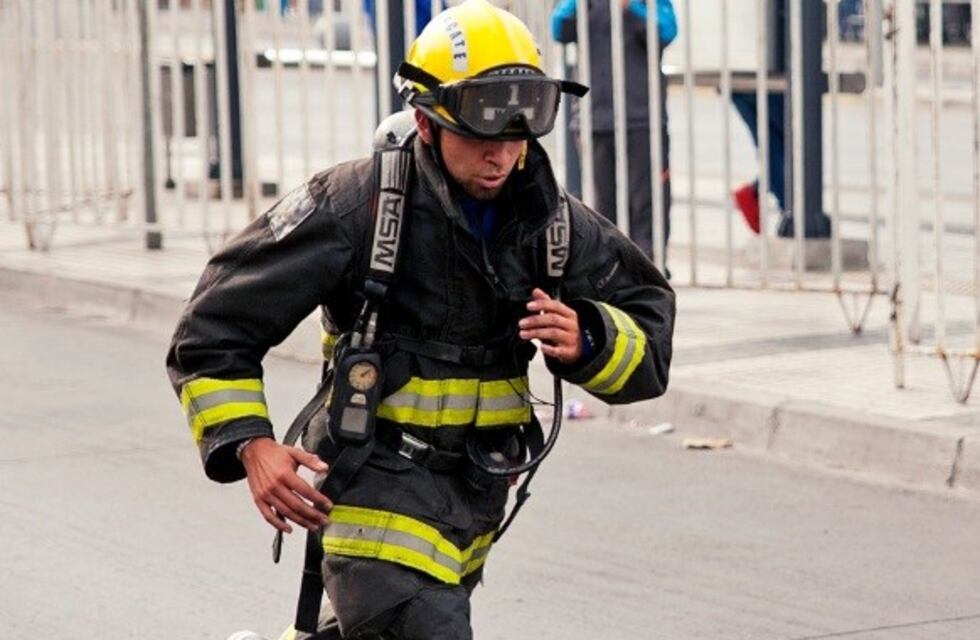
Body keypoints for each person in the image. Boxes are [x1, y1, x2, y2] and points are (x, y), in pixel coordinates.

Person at [166, 1, 675, 638]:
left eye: (515, 137)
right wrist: (251, 445)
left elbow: (650, 325)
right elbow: (211, 330)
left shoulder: (554, 224)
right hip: (367, 491)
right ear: (426, 124)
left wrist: (589, 337)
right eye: (480, 136)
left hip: (474, 498)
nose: (500, 156)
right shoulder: (354, 206)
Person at [551, 0, 677, 267]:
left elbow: (666, 32)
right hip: (595, 119)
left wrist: (632, 7)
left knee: (647, 202)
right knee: (599, 204)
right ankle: (606, 269)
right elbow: (558, 29)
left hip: (643, 119)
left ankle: (649, 268)